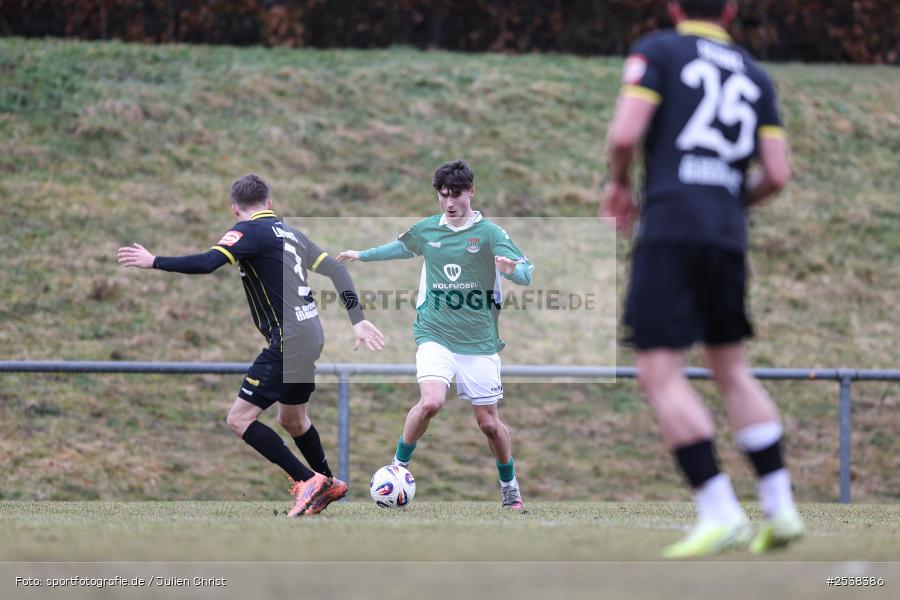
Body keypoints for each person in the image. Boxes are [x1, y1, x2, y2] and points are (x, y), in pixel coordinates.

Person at [601, 0, 804, 557]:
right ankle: (781, 508)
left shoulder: (658, 50)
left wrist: (620, 185)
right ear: (731, 11)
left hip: (671, 227)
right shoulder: (753, 71)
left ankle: (720, 512)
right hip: (726, 235)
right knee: (731, 366)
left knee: (659, 369)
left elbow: (624, 136)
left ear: (674, 6)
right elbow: (778, 173)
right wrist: (731, 202)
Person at [117, 173, 385, 517]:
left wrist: (155, 261)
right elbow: (336, 269)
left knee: (239, 419)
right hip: (311, 334)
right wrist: (358, 319)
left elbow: (207, 262)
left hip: (288, 340)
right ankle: (329, 482)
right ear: (269, 203)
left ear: (235, 209)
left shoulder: (247, 231)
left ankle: (308, 481)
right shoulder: (291, 233)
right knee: (293, 419)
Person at [337, 160, 534, 510]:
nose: (449, 202)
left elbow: (525, 273)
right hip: (434, 332)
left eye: (456, 194)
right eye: (443, 196)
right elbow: (400, 247)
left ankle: (509, 486)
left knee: (488, 424)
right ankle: (397, 467)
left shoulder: (490, 234)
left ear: (471, 192)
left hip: (478, 341)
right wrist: (361, 255)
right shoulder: (429, 230)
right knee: (431, 402)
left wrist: (513, 271)